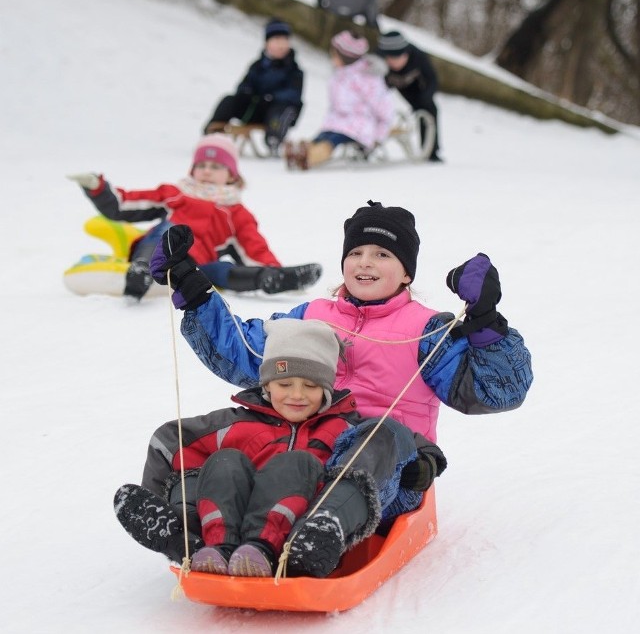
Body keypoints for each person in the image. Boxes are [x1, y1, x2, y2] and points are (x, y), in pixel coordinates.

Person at [147, 200, 533, 577]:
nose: (366, 262)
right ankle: (187, 531)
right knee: (198, 438)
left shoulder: (427, 331)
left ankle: (319, 534)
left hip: (385, 472)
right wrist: (192, 288)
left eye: (383, 254)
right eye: (357, 252)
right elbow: (245, 354)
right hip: (298, 454)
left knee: (379, 434)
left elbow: (496, 390)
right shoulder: (311, 316)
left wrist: (485, 321)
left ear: (406, 274)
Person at [113, 318, 447, 577]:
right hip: (227, 531)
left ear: (328, 390)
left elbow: (409, 442)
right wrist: (163, 500)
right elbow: (167, 442)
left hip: (306, 525)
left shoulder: (346, 425)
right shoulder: (236, 423)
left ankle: (315, 536)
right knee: (223, 463)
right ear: (267, 385)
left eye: (311, 386)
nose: (297, 395)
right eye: (285, 384)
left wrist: (422, 465)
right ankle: (188, 538)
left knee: (365, 438)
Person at [67, 134, 321, 300]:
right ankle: (142, 273)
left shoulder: (235, 212)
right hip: (155, 254)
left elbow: (253, 247)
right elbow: (125, 204)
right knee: (169, 231)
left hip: (193, 267)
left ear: (232, 175)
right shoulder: (175, 194)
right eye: (201, 166)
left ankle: (271, 280)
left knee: (222, 270)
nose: (207, 171)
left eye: (216, 167)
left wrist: (270, 267)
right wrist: (98, 188)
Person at [284, 31, 394, 170]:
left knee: (332, 140)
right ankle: (301, 151)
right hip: (337, 122)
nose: (332, 57)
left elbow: (383, 107)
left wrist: (379, 135)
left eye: (334, 54)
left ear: (345, 57)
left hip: (359, 124)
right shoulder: (339, 75)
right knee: (322, 136)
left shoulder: (367, 78)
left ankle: (310, 156)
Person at [203, 18, 304, 157]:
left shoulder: (294, 71)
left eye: (284, 40)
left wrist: (272, 97)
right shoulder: (257, 66)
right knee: (229, 100)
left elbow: (293, 94)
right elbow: (244, 84)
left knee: (281, 111)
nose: (281, 44)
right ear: (267, 43)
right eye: (276, 40)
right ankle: (213, 132)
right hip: (255, 108)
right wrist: (246, 91)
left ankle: (274, 139)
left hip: (278, 111)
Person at [378, 30, 443, 162]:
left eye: (396, 58)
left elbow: (432, 80)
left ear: (406, 53)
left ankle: (431, 152)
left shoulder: (419, 57)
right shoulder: (378, 59)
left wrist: (425, 98)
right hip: (386, 84)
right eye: (389, 59)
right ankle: (365, 146)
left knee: (429, 109)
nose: (392, 63)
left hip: (415, 87)